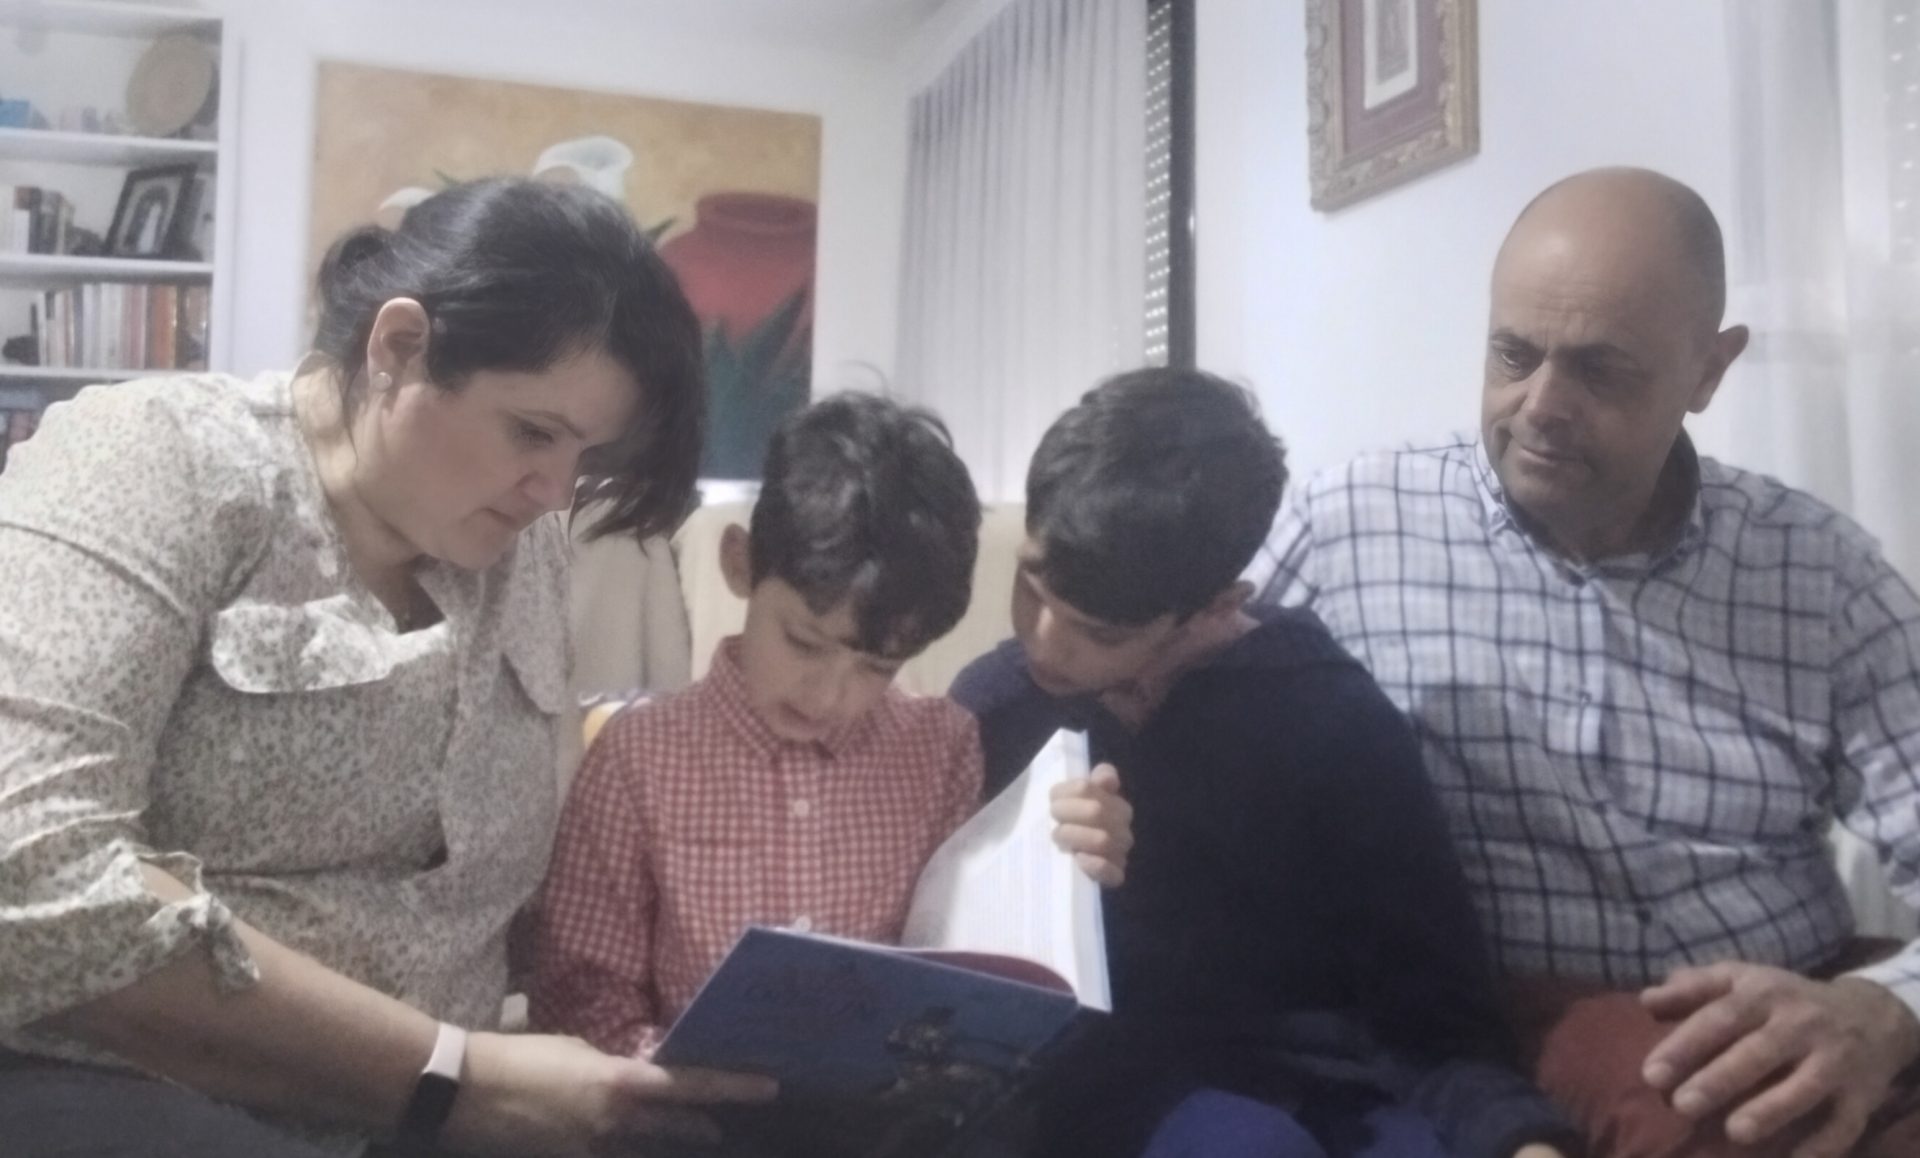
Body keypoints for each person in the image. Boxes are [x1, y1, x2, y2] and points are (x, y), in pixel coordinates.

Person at [0, 177, 777, 1157]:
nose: (554, 491)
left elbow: (512, 896)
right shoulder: (158, 462)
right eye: (533, 432)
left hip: (433, 1112)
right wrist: (454, 1076)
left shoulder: (523, 547)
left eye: (586, 456)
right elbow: (32, 875)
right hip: (120, 1087)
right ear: (399, 346)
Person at [1248, 166, 1920, 1158]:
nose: (1542, 406)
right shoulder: (1348, 528)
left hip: (1796, 1004)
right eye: (1513, 354)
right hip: (1519, 1037)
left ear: (1709, 371)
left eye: (1602, 370)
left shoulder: (1820, 572)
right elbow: (1186, 704)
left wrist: (1885, 1009)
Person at [951, 368, 1578, 1158]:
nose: (1044, 643)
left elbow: (1438, 1016)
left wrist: (1522, 1138)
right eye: (1030, 585)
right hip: (1119, 1091)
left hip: (1345, 1084)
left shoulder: (1330, 719)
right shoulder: (996, 708)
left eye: (1100, 633)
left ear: (1218, 605)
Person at [527, 392, 1132, 1061]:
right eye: (804, 643)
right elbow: (581, 993)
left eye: (877, 667)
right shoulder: (639, 757)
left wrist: (1062, 863)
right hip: (680, 1104)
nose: (829, 695)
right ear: (740, 563)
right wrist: (679, 1084)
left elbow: (970, 955)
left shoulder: (943, 747)